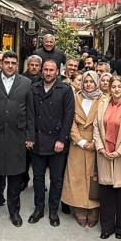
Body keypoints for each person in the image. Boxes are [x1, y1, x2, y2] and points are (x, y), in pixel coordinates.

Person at [0, 51, 34, 227]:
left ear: (18, 64)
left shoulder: (26, 83)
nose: (10, 66)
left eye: (13, 62)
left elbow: (30, 112)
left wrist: (29, 136)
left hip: (16, 138)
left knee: (14, 179)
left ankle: (14, 212)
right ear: (1, 64)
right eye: (7, 62)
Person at [30, 60, 75, 226]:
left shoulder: (65, 89)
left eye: (51, 70)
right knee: (38, 177)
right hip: (38, 140)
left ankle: (54, 210)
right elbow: (30, 114)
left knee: (56, 179)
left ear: (57, 72)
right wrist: (30, 137)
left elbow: (68, 116)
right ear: (42, 71)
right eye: (46, 70)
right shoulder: (34, 88)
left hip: (57, 141)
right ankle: (39, 208)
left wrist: (61, 139)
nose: (48, 73)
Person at [94, 76, 121, 239]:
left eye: (119, 86)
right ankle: (107, 227)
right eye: (113, 87)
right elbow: (96, 127)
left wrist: (119, 152)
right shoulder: (103, 104)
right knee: (106, 193)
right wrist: (100, 147)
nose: (116, 89)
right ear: (109, 88)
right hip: (104, 153)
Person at [61, 71, 102, 228]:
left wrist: (95, 142)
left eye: (92, 82)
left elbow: (105, 122)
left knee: (94, 177)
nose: (89, 85)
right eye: (86, 82)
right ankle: (80, 208)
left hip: (96, 142)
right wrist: (81, 141)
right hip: (78, 143)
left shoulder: (103, 99)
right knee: (77, 176)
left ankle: (93, 209)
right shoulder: (75, 97)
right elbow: (69, 120)